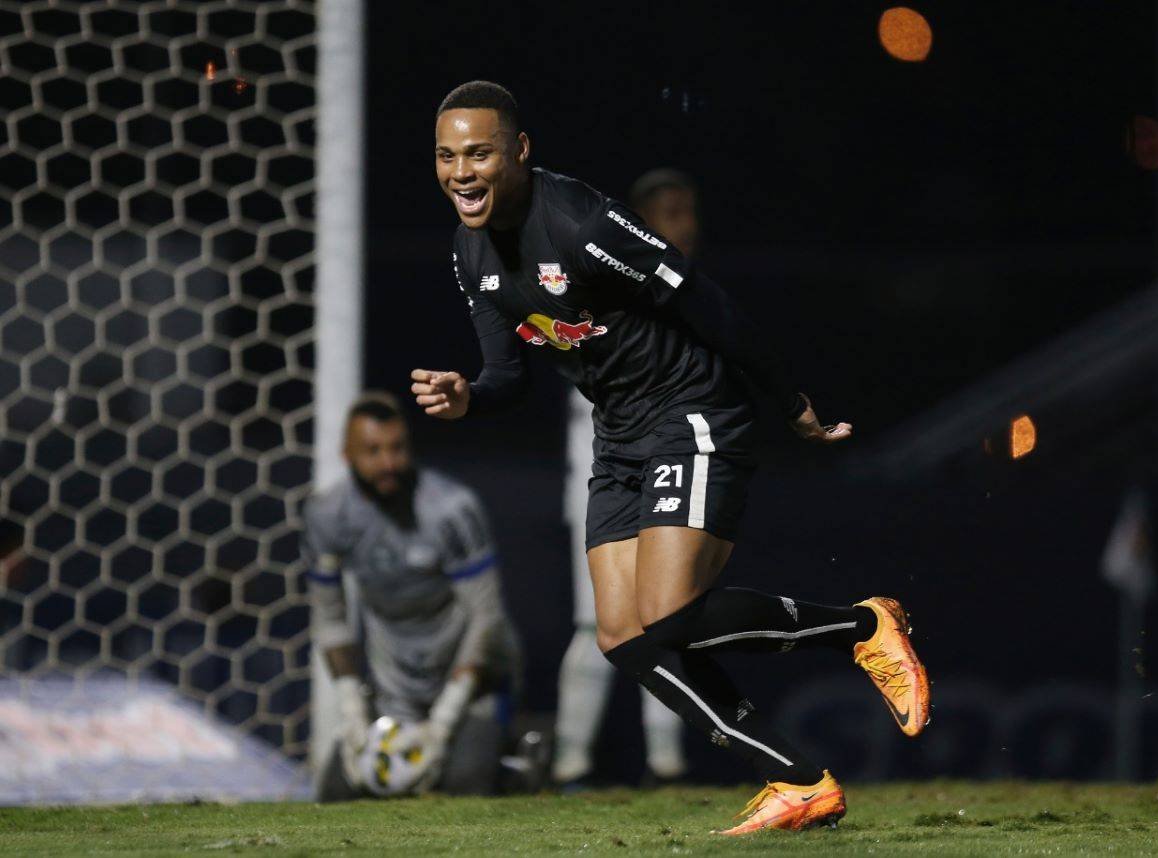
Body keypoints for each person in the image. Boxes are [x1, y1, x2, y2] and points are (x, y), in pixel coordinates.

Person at [411, 81, 929, 834]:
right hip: (616, 431)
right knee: (623, 635)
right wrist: (469, 397)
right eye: (447, 155)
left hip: (691, 412)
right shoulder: (469, 252)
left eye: (479, 153)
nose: (461, 171)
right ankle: (797, 781)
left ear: (519, 151)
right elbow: (507, 377)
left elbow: (705, 301)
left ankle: (863, 627)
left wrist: (791, 405)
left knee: (670, 614)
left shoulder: (582, 222)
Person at [553, 169, 700, 787]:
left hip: (673, 474)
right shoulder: (604, 293)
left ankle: (667, 765)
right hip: (605, 480)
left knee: (670, 618)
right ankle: (569, 765)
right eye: (668, 212)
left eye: (688, 211)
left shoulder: (692, 294)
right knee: (600, 627)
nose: (683, 224)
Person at [304, 391, 520, 801]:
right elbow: (329, 618)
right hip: (394, 693)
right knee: (336, 796)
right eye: (372, 451)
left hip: (471, 687)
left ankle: (516, 764)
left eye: (397, 448)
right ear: (346, 454)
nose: (388, 463)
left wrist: (444, 720)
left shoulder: (451, 509)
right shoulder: (326, 515)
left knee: (463, 786)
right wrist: (352, 710)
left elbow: (486, 616)